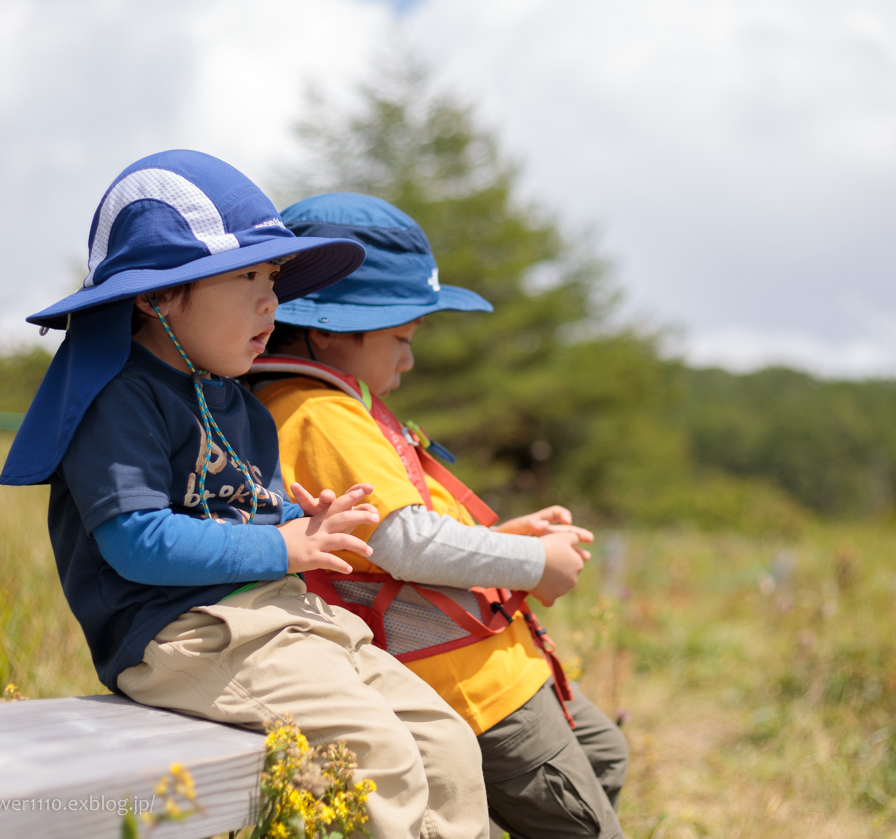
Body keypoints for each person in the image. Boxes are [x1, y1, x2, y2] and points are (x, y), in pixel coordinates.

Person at [0, 152, 489, 839]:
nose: (272, 302)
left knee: (444, 741)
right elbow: (138, 542)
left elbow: (247, 508)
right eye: (246, 278)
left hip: (285, 621)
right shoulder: (119, 396)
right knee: (378, 755)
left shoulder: (233, 398)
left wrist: (301, 519)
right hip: (186, 635)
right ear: (158, 295)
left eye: (273, 278)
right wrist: (282, 544)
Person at [251, 192, 629, 839]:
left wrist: (499, 538)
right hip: (472, 686)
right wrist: (534, 561)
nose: (409, 359)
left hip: (496, 668)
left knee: (605, 752)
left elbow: (391, 532)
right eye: (401, 337)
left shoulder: (335, 404)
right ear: (329, 329)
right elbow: (405, 542)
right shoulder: (317, 413)